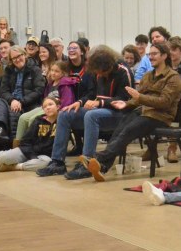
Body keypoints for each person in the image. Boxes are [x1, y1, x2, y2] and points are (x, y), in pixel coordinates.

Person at [80, 41, 181, 182]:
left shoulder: (173, 78)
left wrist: (139, 97)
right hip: (143, 112)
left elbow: (164, 102)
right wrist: (126, 103)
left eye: (154, 54)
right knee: (119, 130)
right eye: (150, 54)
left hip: (160, 116)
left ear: (165, 56)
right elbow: (136, 99)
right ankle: (102, 166)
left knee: (128, 130)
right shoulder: (148, 76)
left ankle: (98, 158)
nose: (151, 57)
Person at [40, 47, 131, 179]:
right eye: (98, 72)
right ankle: (57, 161)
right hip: (100, 110)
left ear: (110, 66)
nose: (101, 75)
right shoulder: (96, 71)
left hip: (119, 114)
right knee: (65, 114)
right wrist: (80, 103)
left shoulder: (123, 72)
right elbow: (91, 93)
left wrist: (99, 103)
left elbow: (125, 100)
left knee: (91, 115)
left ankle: (87, 163)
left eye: (103, 72)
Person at [0, 47, 45, 152]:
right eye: (14, 58)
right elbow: (3, 91)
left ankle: (8, 145)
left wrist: (21, 101)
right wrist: (12, 100)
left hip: (28, 103)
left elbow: (38, 90)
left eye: (19, 56)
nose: (17, 59)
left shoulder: (35, 70)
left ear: (24, 55)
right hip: (11, 101)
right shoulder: (9, 70)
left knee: (12, 111)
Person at [0, 95, 60, 172]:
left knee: (46, 163)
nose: (48, 108)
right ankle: (2, 161)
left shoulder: (61, 123)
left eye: (50, 104)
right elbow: (25, 141)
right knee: (3, 157)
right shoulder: (38, 121)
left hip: (45, 156)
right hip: (28, 151)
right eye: (45, 107)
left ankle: (15, 166)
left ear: (58, 106)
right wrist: (31, 156)